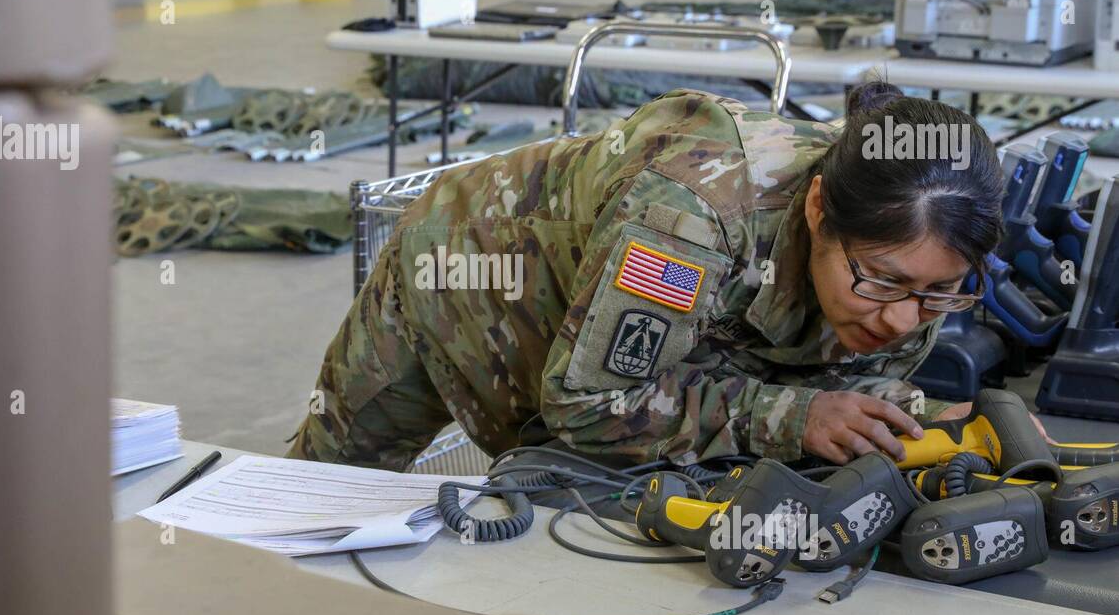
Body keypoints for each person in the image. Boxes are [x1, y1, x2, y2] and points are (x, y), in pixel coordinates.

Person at [289, 81, 1026, 471]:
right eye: (883, 283)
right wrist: (791, 418)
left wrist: (899, 422)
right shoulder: (693, 216)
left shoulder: (908, 255)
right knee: (323, 496)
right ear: (816, 206)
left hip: (645, 304)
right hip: (472, 266)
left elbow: (835, 387)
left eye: (937, 294)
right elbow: (589, 405)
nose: (901, 319)